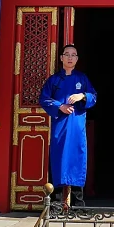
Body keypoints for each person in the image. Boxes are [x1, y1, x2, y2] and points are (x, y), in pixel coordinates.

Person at [39, 44, 96, 210]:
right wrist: (60, 106)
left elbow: (94, 96)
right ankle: (56, 202)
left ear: (77, 59)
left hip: (77, 126)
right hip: (60, 126)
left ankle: (78, 203)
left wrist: (82, 95)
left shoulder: (82, 79)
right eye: (67, 54)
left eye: (73, 55)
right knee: (59, 159)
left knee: (77, 159)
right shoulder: (54, 80)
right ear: (62, 58)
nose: (70, 58)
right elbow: (44, 99)